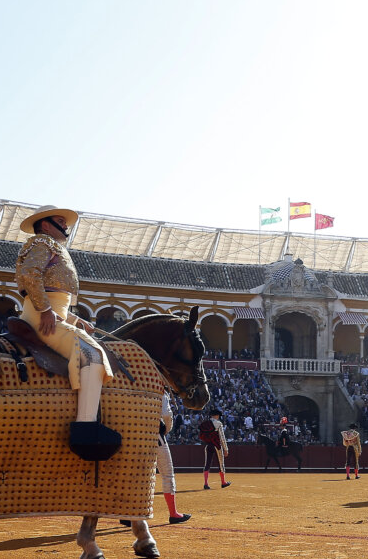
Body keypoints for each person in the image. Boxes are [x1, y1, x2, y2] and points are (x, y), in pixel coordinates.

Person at [14, 205, 116, 450]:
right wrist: (46, 310)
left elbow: (57, 303)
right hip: (40, 317)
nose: (66, 225)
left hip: (51, 315)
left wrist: (74, 320)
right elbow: (30, 274)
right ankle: (85, 428)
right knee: (91, 354)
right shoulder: (42, 243)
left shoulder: (53, 247)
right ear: (46, 224)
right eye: (60, 220)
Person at [122, 395, 190, 528]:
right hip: (154, 433)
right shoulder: (159, 387)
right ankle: (173, 513)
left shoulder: (135, 383)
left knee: (135, 474)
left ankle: (127, 515)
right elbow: (166, 414)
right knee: (167, 473)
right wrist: (166, 429)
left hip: (131, 433)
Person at [199, 408, 231, 489]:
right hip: (217, 446)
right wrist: (226, 449)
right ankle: (223, 482)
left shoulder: (205, 424)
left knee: (207, 464)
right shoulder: (218, 423)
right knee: (220, 464)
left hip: (208, 445)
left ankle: (206, 484)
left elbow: (201, 436)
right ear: (216, 416)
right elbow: (222, 437)